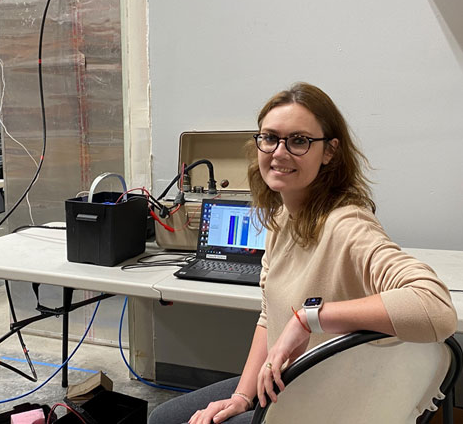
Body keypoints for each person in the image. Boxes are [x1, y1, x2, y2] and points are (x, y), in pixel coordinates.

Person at [148, 82, 457, 424]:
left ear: (329, 152)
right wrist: (242, 397)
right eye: (270, 138)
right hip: (289, 385)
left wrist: (309, 318)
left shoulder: (347, 225)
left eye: (299, 141)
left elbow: (435, 308)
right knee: (163, 418)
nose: (279, 153)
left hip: (330, 403)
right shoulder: (281, 218)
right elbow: (269, 317)